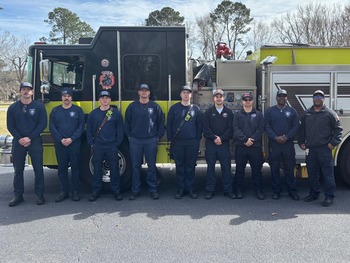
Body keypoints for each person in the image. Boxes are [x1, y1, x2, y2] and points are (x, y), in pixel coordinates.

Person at [298, 90, 343, 207]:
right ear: (313, 98)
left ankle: (329, 196)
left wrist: (333, 143)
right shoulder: (306, 113)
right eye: (315, 96)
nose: (318, 98)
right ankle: (314, 193)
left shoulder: (330, 113)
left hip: (325, 149)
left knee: (327, 174)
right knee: (312, 173)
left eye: (320, 96)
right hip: (311, 149)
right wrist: (301, 142)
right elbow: (302, 129)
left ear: (324, 99)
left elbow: (339, 130)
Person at [6, 82, 47, 206]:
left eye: (28, 90)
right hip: (18, 142)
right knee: (18, 170)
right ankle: (18, 195)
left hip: (34, 141)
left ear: (32, 92)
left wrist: (29, 138)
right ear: (20, 92)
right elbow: (10, 126)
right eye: (23, 89)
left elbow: (42, 124)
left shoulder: (39, 107)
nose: (26, 92)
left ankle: (40, 195)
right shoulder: (13, 108)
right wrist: (20, 138)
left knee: (38, 169)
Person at [124, 84, 165, 200]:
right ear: (138, 93)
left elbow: (161, 123)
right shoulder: (132, 107)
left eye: (146, 90)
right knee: (135, 166)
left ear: (149, 93)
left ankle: (153, 189)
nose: (144, 92)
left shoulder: (155, 107)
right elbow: (127, 122)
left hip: (150, 140)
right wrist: (129, 137)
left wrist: (157, 137)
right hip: (135, 140)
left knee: (151, 166)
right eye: (142, 90)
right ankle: (135, 190)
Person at [86, 90, 124, 201]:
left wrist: (116, 144)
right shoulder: (93, 114)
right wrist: (92, 144)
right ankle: (95, 191)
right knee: (97, 170)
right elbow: (89, 130)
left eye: (107, 97)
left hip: (111, 146)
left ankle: (116, 191)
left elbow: (120, 131)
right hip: (98, 146)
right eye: (102, 97)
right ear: (99, 100)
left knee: (114, 170)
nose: (104, 99)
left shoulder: (115, 113)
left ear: (110, 100)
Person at [167, 85, 203, 199]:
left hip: (192, 142)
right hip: (178, 142)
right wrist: (171, 139)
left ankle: (191, 189)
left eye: (188, 93)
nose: (186, 95)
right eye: (184, 93)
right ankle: (180, 189)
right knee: (180, 166)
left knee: (190, 167)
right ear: (180, 95)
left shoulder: (195, 109)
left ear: (191, 95)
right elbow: (169, 125)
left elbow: (199, 126)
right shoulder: (174, 108)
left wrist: (197, 139)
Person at [49, 88, 85, 202]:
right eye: (64, 96)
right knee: (62, 168)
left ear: (71, 98)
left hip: (74, 144)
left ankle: (75, 192)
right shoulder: (55, 111)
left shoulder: (78, 110)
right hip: (60, 144)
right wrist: (61, 139)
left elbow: (81, 127)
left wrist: (72, 139)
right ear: (61, 98)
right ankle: (63, 191)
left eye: (68, 96)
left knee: (75, 168)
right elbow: (52, 127)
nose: (66, 98)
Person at [265, 89, 300, 200]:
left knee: (290, 168)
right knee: (274, 168)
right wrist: (275, 137)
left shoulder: (292, 111)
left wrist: (286, 137)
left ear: (286, 98)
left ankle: (292, 191)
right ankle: (276, 191)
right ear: (276, 98)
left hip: (287, 144)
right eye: (279, 96)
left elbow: (296, 127)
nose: (281, 98)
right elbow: (266, 126)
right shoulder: (270, 111)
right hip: (274, 144)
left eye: (284, 96)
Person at [203, 89, 234, 199]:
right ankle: (210, 190)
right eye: (217, 96)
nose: (219, 98)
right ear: (213, 98)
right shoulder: (208, 112)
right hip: (211, 144)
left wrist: (222, 138)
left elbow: (231, 129)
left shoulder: (229, 112)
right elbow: (205, 129)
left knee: (226, 168)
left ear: (224, 98)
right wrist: (214, 137)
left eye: (220, 96)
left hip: (224, 144)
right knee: (210, 168)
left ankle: (228, 190)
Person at [233, 92, 265, 200]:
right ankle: (238, 191)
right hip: (241, 146)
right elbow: (236, 129)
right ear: (242, 101)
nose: (247, 101)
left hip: (255, 147)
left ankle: (259, 191)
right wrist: (245, 140)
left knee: (257, 171)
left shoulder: (259, 114)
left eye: (249, 99)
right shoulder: (237, 114)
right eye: (245, 99)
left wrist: (252, 139)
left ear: (252, 101)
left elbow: (261, 129)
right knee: (239, 170)